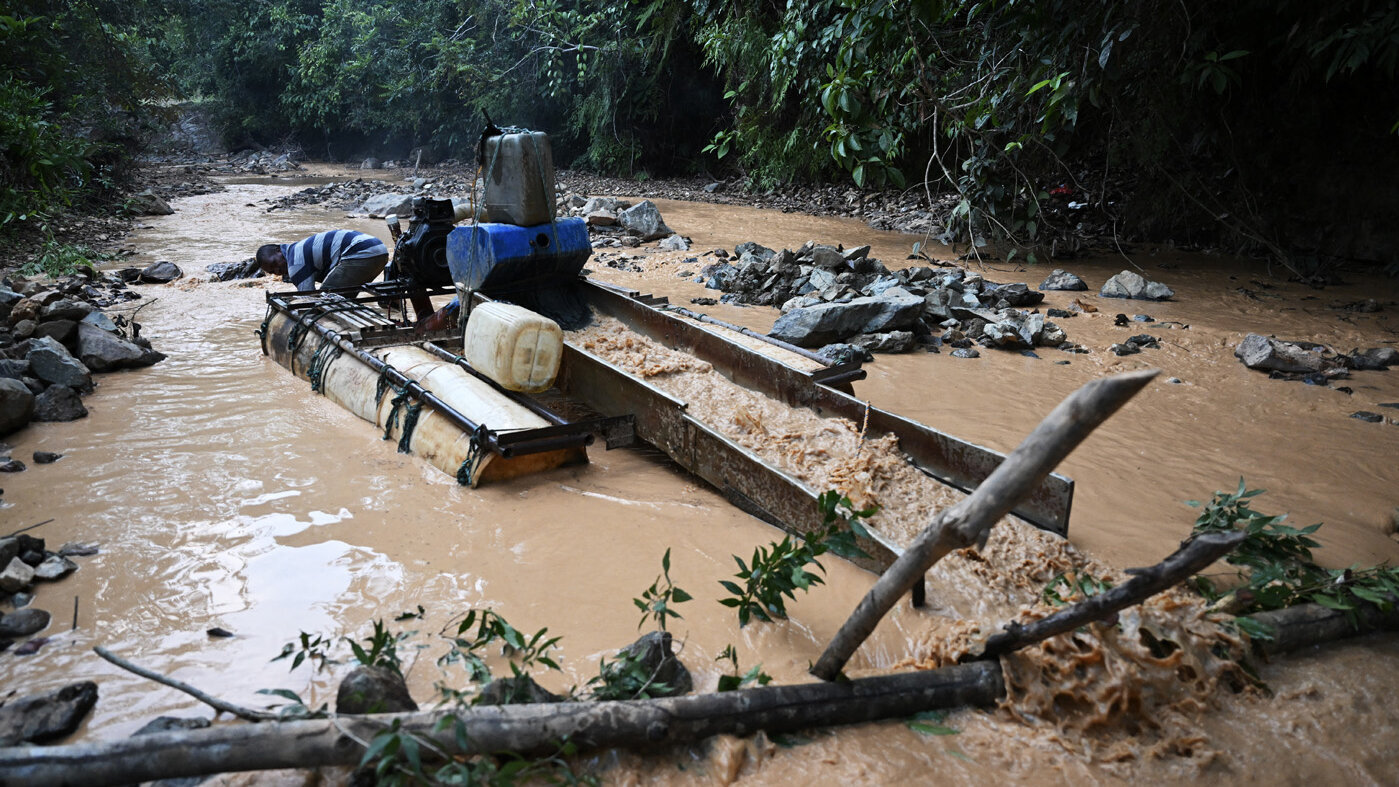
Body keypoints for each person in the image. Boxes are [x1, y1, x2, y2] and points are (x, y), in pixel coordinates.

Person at [255, 230, 389, 292]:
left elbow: (308, 297)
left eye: (274, 264)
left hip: (361, 253)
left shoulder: (295, 262)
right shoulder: (298, 248)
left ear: (279, 251)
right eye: (273, 272)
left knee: (327, 297)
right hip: (380, 250)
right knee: (344, 295)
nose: (278, 271)